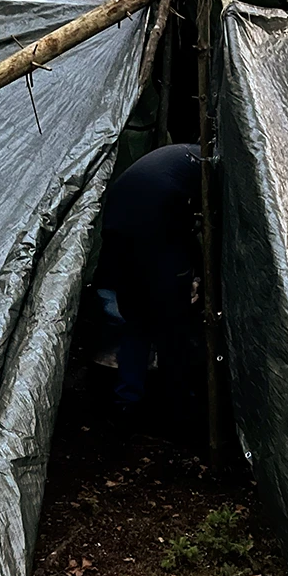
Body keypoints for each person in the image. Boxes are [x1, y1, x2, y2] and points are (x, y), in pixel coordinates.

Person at [94, 143, 202, 418]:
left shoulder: (181, 158)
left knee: (137, 323)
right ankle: (178, 403)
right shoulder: (209, 167)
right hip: (152, 235)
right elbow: (194, 228)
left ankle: (127, 400)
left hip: (119, 235)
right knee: (173, 325)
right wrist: (193, 274)